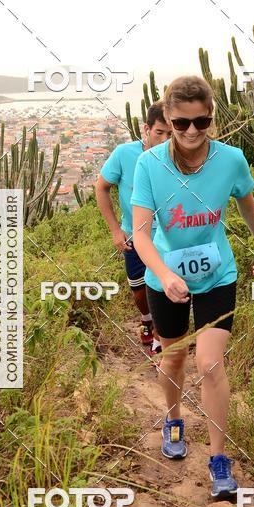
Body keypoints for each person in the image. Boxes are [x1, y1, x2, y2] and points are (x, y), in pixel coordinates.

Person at [131, 75, 254, 500]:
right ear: (168, 119)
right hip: (165, 276)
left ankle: (218, 459)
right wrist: (165, 275)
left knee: (210, 364)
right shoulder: (149, 165)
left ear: (212, 117)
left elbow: (247, 205)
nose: (192, 131)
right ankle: (173, 418)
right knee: (173, 358)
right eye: (181, 123)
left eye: (201, 121)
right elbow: (141, 234)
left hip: (217, 275)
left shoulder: (231, 160)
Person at [96, 102, 172, 354]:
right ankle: (147, 320)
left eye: (170, 133)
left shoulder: (179, 157)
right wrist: (115, 230)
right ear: (146, 129)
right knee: (140, 292)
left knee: (162, 288)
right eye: (159, 132)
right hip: (135, 236)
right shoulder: (124, 154)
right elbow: (101, 187)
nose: (165, 140)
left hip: (168, 238)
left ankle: (160, 343)